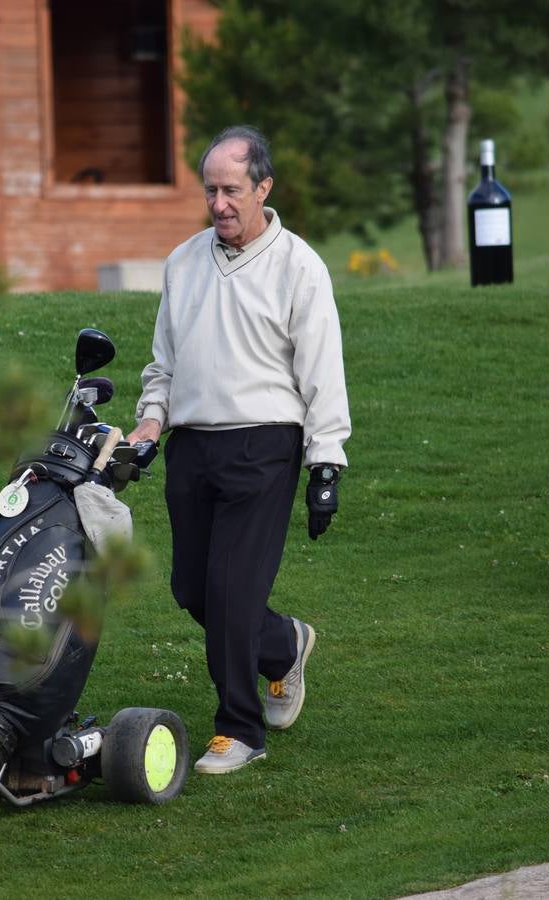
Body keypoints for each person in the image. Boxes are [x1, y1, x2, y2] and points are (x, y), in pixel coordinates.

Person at [126, 125, 351, 774]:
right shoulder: (184, 262)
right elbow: (163, 364)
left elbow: (322, 371)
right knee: (193, 589)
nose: (219, 203)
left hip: (263, 447)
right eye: (210, 191)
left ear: (262, 188)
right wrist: (148, 421)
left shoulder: (298, 266)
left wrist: (325, 462)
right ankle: (282, 646)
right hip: (191, 447)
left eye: (231, 190)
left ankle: (239, 730)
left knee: (230, 592)